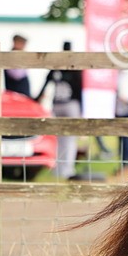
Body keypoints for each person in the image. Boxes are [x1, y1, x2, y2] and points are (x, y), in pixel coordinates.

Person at [38, 42, 83, 179]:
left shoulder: (56, 67)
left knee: (59, 139)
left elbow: (46, 84)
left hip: (58, 104)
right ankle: (67, 169)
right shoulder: (75, 67)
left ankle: (59, 169)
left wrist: (37, 98)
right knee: (69, 140)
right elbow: (80, 89)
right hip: (71, 104)